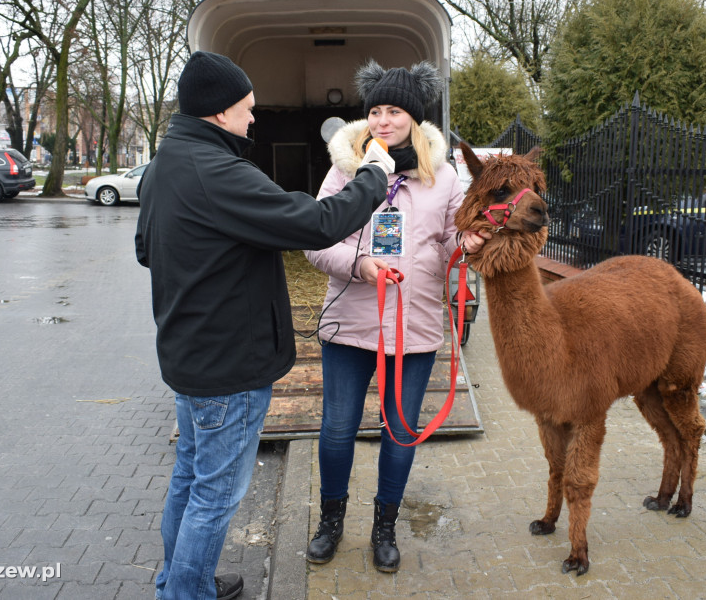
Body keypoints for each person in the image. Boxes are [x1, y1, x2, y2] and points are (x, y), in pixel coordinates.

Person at [135, 51, 391, 600]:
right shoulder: (218, 172)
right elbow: (319, 224)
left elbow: (145, 251)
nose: (254, 120)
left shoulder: (164, 167)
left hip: (189, 358)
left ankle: (182, 579)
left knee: (189, 481)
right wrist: (373, 174)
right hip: (230, 367)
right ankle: (184, 594)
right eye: (248, 109)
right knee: (216, 494)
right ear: (221, 111)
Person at [304, 59, 488, 573]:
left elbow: (451, 240)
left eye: (395, 111)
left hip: (414, 328)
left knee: (400, 432)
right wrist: (358, 265)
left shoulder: (444, 177)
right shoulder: (345, 171)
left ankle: (384, 527)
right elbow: (316, 241)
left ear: (414, 118)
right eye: (376, 111)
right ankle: (330, 521)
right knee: (337, 428)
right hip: (350, 323)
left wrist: (467, 244)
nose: (383, 120)